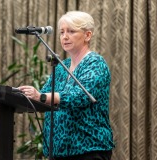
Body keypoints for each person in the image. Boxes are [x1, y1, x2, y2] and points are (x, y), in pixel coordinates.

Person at [18, 11, 115, 160]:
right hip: (58, 152)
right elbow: (44, 95)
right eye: (62, 32)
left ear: (87, 35)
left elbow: (79, 96)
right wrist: (23, 96)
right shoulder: (62, 66)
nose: (65, 36)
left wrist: (41, 96)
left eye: (71, 31)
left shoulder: (96, 63)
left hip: (88, 149)